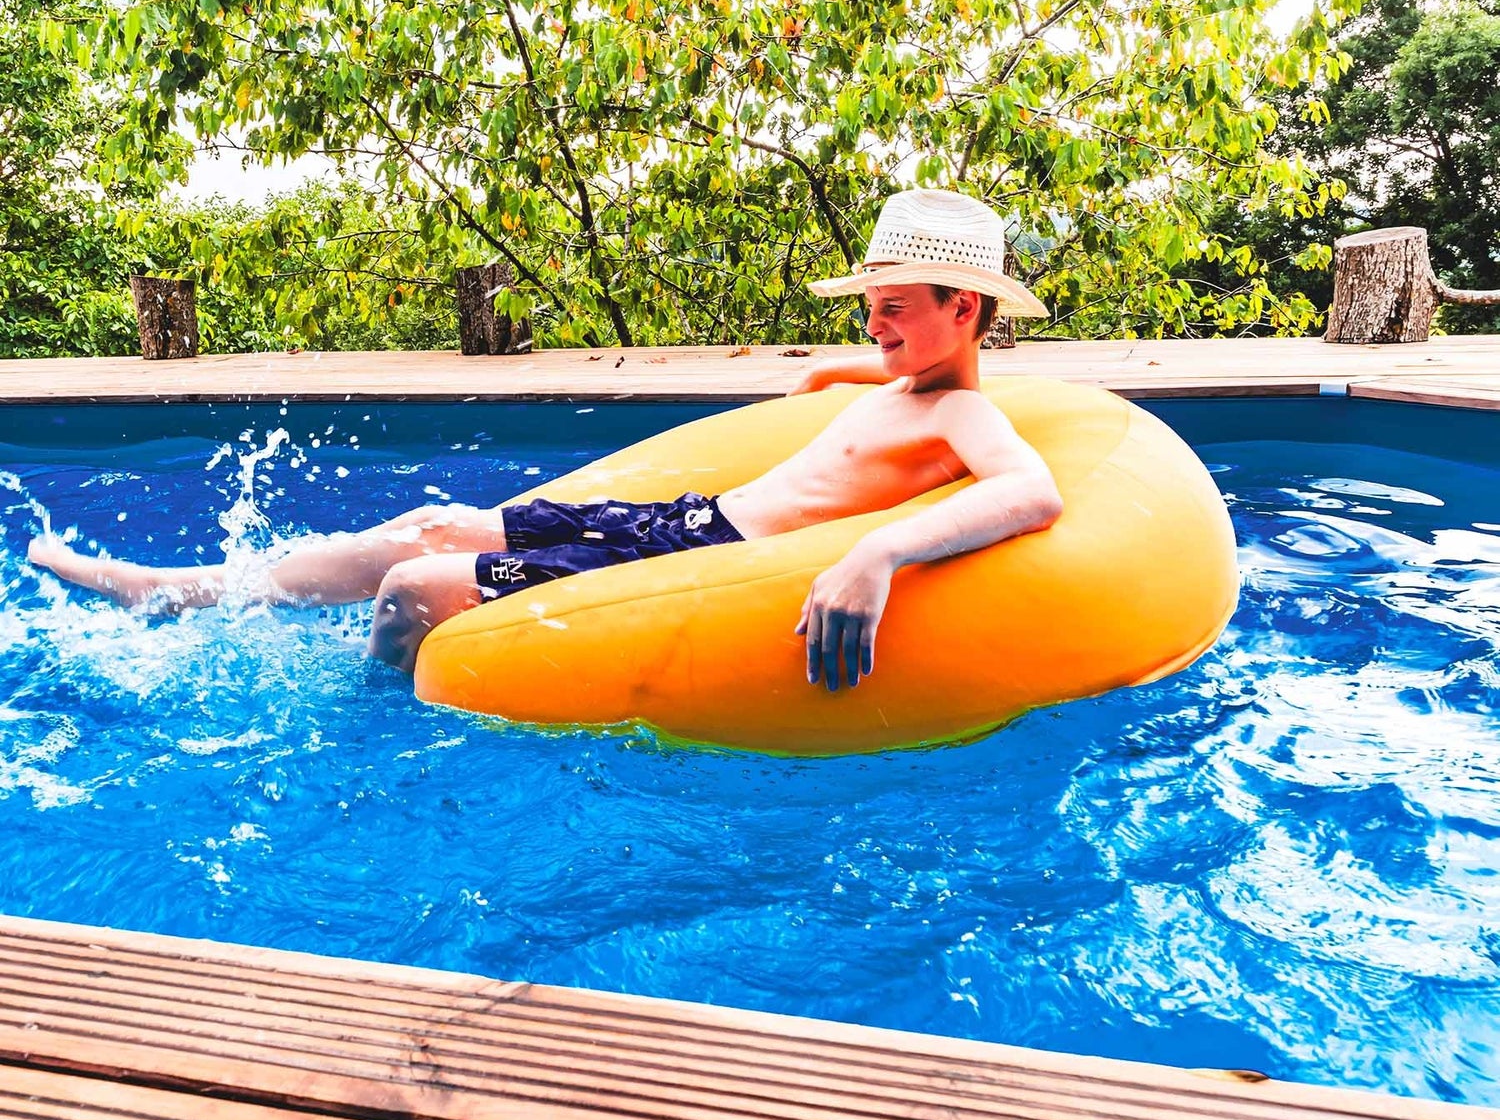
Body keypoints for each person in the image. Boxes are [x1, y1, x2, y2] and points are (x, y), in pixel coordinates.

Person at [28, 190, 1064, 691]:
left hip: (708, 561)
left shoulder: (962, 412)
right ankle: (182, 587)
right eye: (868, 309)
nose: (872, 329)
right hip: (681, 519)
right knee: (425, 522)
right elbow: (829, 413)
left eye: (894, 311)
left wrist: (878, 551)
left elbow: (1032, 493)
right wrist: (846, 370)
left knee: (416, 592)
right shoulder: (893, 382)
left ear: (966, 307)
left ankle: (372, 728)